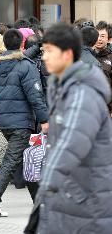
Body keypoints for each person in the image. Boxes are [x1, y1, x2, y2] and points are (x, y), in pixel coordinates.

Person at [29, 23, 112, 234]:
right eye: (43, 51)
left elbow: (72, 143)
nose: (44, 57)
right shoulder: (65, 86)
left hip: (85, 200)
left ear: (67, 54)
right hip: (72, 196)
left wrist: (48, 183)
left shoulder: (81, 91)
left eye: (50, 51)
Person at [0, 28, 49, 217]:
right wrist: (44, 119)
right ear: (21, 44)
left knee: (28, 159)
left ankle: (41, 203)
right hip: (22, 122)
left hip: (5, 121)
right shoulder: (25, 66)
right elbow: (35, 96)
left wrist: (38, 46)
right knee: (12, 161)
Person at [94, 21, 112, 88]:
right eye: (97, 35)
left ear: (108, 39)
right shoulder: (88, 55)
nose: (99, 39)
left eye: (102, 36)